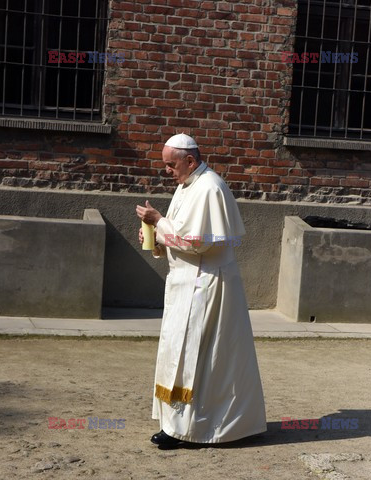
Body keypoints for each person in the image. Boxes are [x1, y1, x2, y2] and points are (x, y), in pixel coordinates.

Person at [136, 133, 266, 449]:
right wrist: (155, 235)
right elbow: (180, 234)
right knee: (181, 354)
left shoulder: (209, 187)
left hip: (206, 286)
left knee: (200, 358)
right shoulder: (187, 186)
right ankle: (179, 425)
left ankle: (194, 429)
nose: (167, 171)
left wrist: (159, 222)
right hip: (187, 284)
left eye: (171, 165)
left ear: (190, 160)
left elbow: (200, 242)